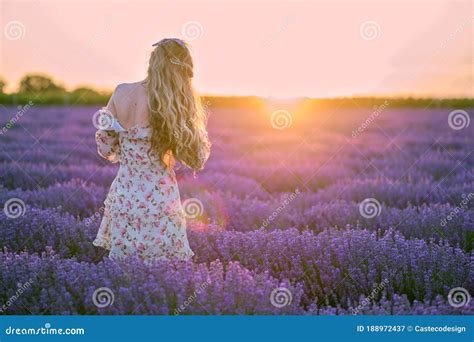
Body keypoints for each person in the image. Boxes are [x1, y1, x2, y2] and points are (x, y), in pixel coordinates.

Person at [92, 38, 211, 262]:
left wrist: (125, 140)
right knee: (164, 270)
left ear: (152, 61)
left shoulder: (122, 92)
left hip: (125, 194)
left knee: (125, 271)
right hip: (160, 199)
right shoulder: (176, 103)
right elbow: (197, 160)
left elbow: (105, 148)